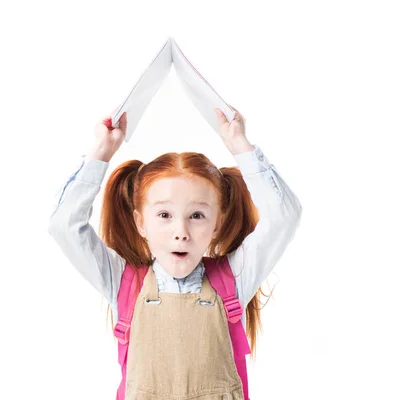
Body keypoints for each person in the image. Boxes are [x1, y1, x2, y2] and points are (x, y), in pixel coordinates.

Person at [48, 106, 302, 399]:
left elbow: (284, 217)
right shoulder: (122, 283)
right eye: (165, 215)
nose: (180, 231)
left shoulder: (234, 279)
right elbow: (64, 225)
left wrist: (240, 146)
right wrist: (102, 152)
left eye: (196, 215)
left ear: (216, 224)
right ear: (140, 222)